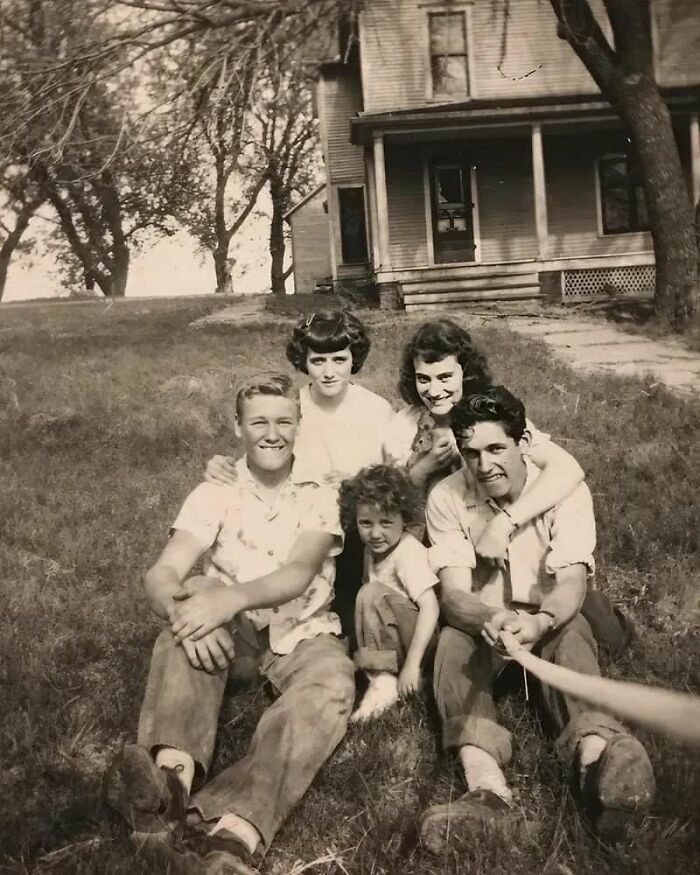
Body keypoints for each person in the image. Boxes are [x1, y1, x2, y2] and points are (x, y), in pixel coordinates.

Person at [105, 373, 355, 875]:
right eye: (258, 421)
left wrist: (221, 600)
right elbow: (164, 572)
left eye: (285, 421)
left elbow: (297, 573)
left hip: (302, 628)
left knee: (332, 686)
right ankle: (168, 786)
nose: (272, 433)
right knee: (180, 638)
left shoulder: (317, 491)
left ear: (299, 425)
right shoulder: (214, 490)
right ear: (236, 426)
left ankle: (235, 832)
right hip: (233, 631)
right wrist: (190, 612)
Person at [418, 386, 655, 854]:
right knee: (451, 643)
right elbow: (453, 594)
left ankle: (597, 762)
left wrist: (541, 622)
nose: (484, 465)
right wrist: (491, 615)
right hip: (491, 621)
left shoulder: (565, 491)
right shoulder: (445, 497)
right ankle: (486, 790)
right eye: (471, 453)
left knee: (572, 633)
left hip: (548, 614)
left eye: (496, 448)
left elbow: (571, 583)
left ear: (524, 443)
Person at [204, 310, 393, 641]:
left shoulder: (376, 410)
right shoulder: (294, 406)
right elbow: (262, 453)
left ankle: (352, 623)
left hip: (360, 520)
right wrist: (222, 466)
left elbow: (392, 478)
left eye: (339, 359)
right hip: (304, 520)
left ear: (354, 359)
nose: (330, 372)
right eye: (318, 361)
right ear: (304, 361)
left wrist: (356, 485)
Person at [382, 319, 586, 562]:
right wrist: (426, 466)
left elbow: (568, 469)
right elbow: (387, 502)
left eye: (445, 377)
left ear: (466, 374)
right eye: (423, 379)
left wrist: (505, 523)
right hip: (417, 541)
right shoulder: (403, 426)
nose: (434, 391)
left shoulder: (488, 416)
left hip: (484, 532)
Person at [338, 465, 440, 721]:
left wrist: (413, 665)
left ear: (404, 519)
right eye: (366, 523)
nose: (375, 533)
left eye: (386, 522)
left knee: (369, 593)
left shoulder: (406, 552)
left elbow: (431, 607)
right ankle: (380, 676)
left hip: (421, 640)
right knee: (367, 594)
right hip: (395, 635)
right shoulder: (370, 550)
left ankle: (384, 681)